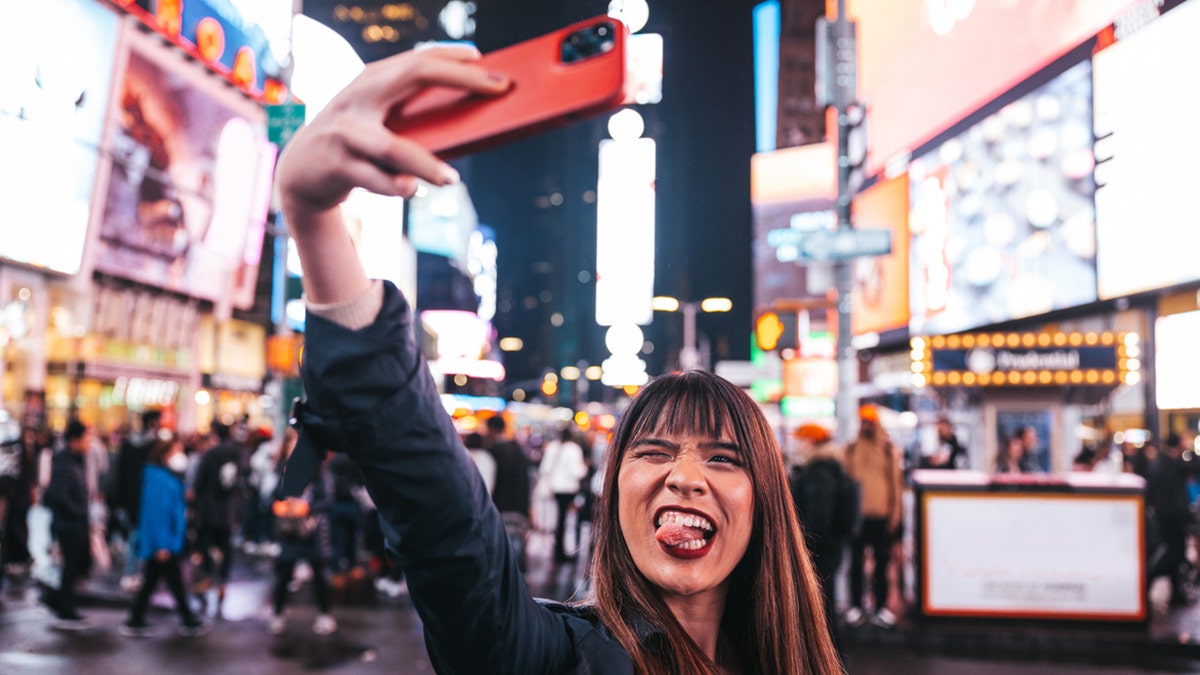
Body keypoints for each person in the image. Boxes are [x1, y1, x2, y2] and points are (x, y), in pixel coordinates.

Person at [271, 45, 842, 673]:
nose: (684, 476)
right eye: (652, 451)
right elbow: (450, 535)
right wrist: (316, 221)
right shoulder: (556, 658)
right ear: (612, 488)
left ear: (766, 502)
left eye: (724, 458)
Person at [120, 434, 209, 637]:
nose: (180, 456)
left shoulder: (164, 477)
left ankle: (136, 619)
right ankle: (187, 619)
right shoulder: (158, 479)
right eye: (175, 451)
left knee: (154, 580)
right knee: (172, 580)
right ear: (164, 455)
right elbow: (157, 514)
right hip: (164, 542)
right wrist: (162, 544)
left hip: (166, 541)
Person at [789, 423, 860, 641]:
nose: (797, 446)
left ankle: (827, 654)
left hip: (820, 550)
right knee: (824, 600)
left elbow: (818, 516)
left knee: (820, 604)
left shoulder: (818, 472)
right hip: (832, 547)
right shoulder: (831, 467)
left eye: (800, 441)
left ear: (811, 442)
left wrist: (805, 546)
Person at [269, 428, 337, 636]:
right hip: (289, 532)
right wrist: (281, 505)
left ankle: (325, 614)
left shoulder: (320, 469)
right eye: (292, 443)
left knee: (319, 574)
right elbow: (272, 496)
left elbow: (328, 499)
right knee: (284, 573)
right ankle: (278, 614)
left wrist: (306, 507)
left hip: (313, 530)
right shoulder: (283, 470)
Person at [843, 404, 903, 629]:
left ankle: (880, 608)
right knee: (856, 564)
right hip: (858, 516)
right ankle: (856, 606)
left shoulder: (887, 449)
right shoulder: (851, 449)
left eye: (869, 421)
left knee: (881, 563)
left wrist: (895, 514)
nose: (866, 425)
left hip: (882, 515)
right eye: (863, 421)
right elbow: (846, 482)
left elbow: (895, 484)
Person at [40, 419, 95, 630]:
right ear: (75, 439)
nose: (88, 442)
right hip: (69, 525)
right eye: (86, 437)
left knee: (76, 566)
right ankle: (64, 607)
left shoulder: (75, 459)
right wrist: (79, 512)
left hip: (74, 523)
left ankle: (59, 601)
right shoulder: (65, 461)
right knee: (72, 567)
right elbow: (58, 495)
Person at [191, 419, 246, 612]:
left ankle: (207, 577)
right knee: (226, 547)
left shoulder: (210, 455)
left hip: (209, 509)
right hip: (228, 510)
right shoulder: (237, 454)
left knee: (205, 544)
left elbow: (199, 482)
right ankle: (222, 580)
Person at [111, 409, 162, 593]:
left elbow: (120, 474)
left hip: (131, 498)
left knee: (134, 536)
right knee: (137, 537)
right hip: (142, 499)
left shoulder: (130, 444)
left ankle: (133, 573)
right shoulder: (153, 445)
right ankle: (134, 573)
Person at [1146, 433, 1197, 607]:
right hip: (1172, 516)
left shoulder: (1159, 463)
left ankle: (1176, 593)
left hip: (1165, 515)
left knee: (1176, 552)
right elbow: (1195, 466)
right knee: (1174, 552)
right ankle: (1149, 578)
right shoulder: (1171, 463)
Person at [483, 414, 533, 571]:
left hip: (498, 505)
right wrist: (527, 507)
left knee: (499, 546)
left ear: (491, 429)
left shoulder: (490, 451)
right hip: (518, 506)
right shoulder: (517, 450)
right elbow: (526, 480)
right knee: (516, 543)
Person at [538, 426, 589, 562]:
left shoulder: (552, 447)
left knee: (558, 520)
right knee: (566, 521)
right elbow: (577, 472)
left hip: (554, 488)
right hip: (568, 489)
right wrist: (585, 467)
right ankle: (562, 552)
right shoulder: (574, 449)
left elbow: (544, 468)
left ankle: (557, 550)